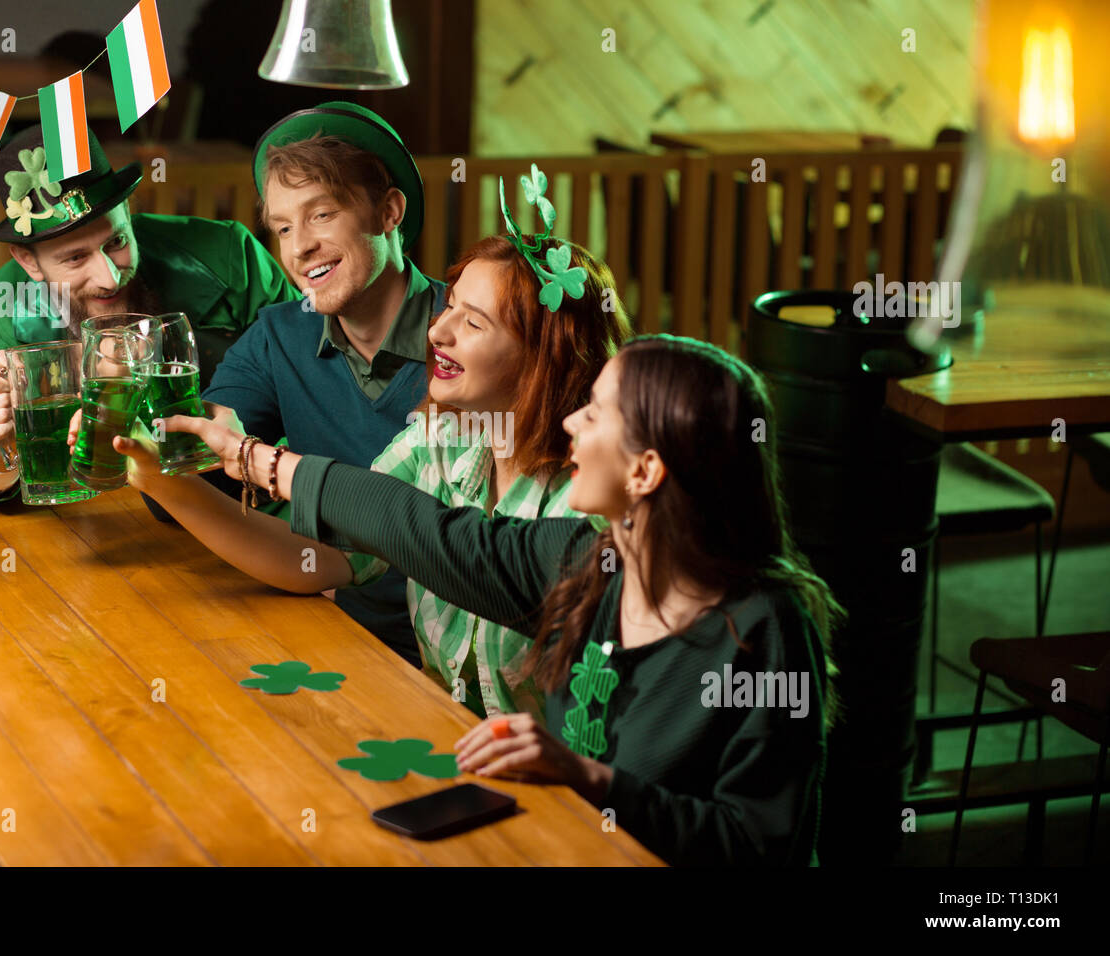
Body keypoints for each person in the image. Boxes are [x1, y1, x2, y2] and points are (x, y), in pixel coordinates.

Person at [150, 334, 842, 866]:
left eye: (596, 414)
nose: (572, 422)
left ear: (646, 470)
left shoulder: (764, 630)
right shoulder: (589, 561)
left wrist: (587, 778)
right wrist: (245, 458)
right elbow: (427, 530)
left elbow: (758, 847)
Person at [101, 229, 630, 722]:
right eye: (448, 306)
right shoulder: (438, 441)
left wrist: (252, 458)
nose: (438, 331)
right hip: (447, 742)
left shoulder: (598, 502)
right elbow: (316, 560)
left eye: (472, 323)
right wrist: (159, 479)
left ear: (543, 356)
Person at [197, 102, 444, 665]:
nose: (298, 246)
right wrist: (178, 439)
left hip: (478, 664)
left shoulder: (470, 331)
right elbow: (207, 448)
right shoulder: (279, 334)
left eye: (322, 215)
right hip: (342, 639)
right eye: (283, 228)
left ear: (389, 212)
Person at [0, 123, 297, 506]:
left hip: (253, 502)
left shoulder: (229, 254)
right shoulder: (6, 304)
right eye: (75, 258)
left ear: (128, 213)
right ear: (27, 261)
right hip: (116, 526)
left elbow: (312, 372)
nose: (109, 277)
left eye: (116, 241)